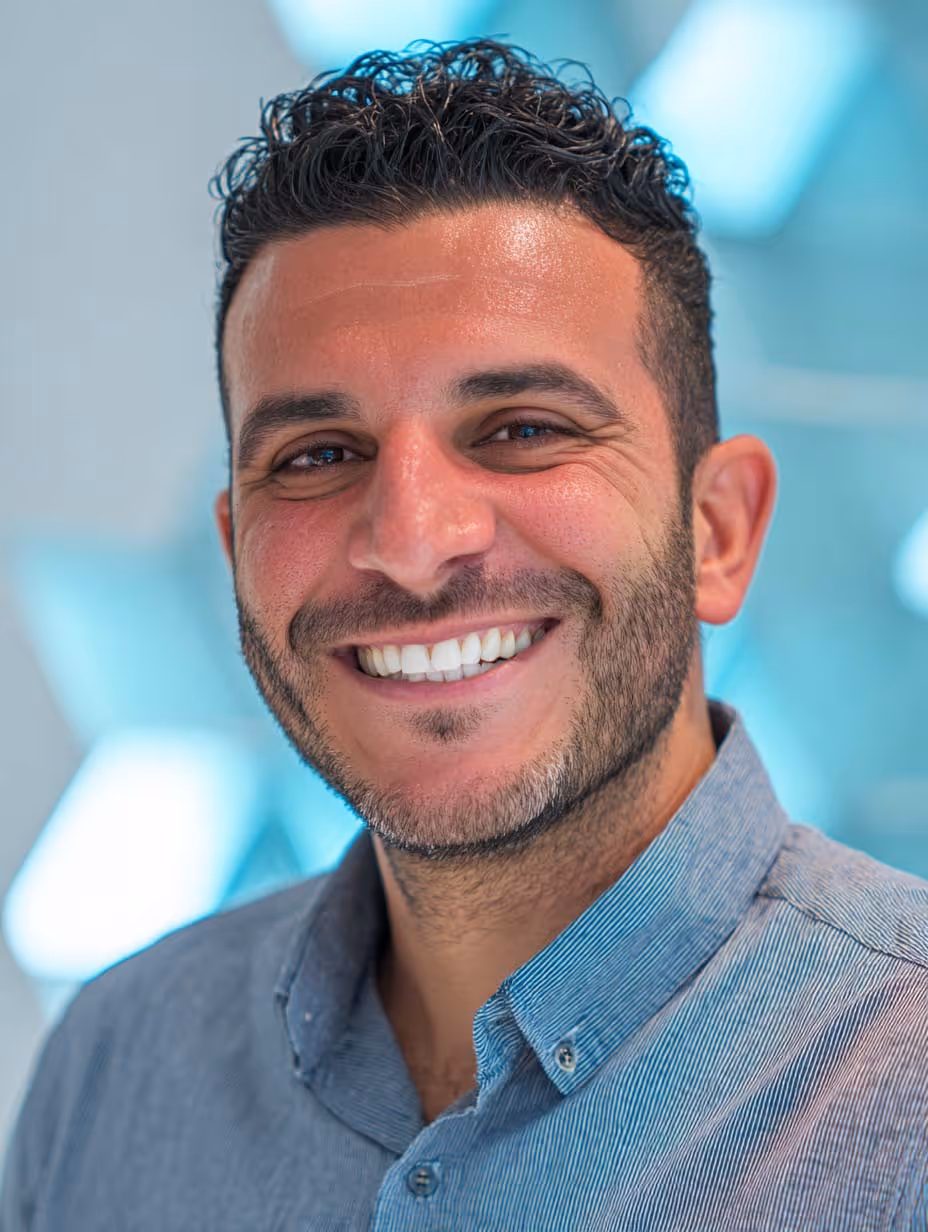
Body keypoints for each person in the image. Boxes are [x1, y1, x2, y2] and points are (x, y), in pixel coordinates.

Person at [2, 36, 927, 1232]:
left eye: (522, 428)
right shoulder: (116, 1065)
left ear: (718, 530)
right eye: (318, 455)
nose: (411, 537)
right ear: (234, 547)